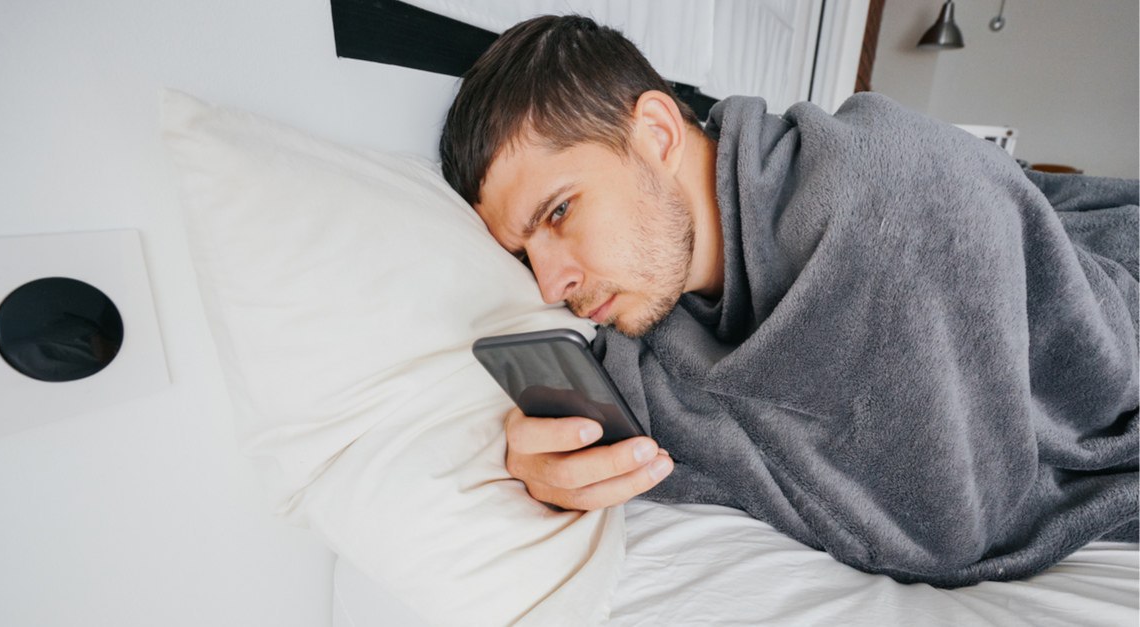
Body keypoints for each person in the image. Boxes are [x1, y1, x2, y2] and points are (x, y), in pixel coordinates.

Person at [440, 15, 1138, 585]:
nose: (549, 283)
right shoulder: (660, 297)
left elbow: (946, 525)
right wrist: (555, 459)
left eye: (559, 211)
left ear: (656, 134)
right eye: (523, 255)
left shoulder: (886, 207)